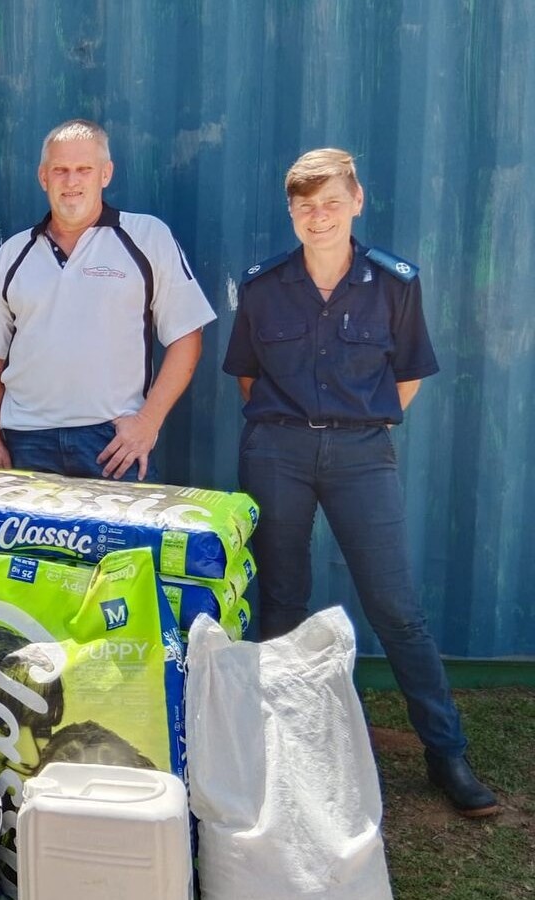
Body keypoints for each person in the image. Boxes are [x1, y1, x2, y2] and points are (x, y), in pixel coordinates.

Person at [222, 147, 498, 817]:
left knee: (396, 608)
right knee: (281, 599)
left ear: (357, 201)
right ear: (291, 212)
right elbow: (248, 377)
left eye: (331, 204)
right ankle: (281, 743)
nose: (319, 218)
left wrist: (353, 424)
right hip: (278, 452)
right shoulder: (262, 287)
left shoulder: (395, 283)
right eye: (305, 207)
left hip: (361, 455)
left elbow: (408, 376)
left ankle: (446, 753)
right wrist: (299, 428)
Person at [0, 118, 216, 482]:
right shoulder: (13, 253)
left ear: (106, 173)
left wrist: (148, 422)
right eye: (60, 170)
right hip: (27, 441)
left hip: (113, 442)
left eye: (84, 169)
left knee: (126, 525)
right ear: (43, 177)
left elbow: (187, 336)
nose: (71, 181)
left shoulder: (147, 237)